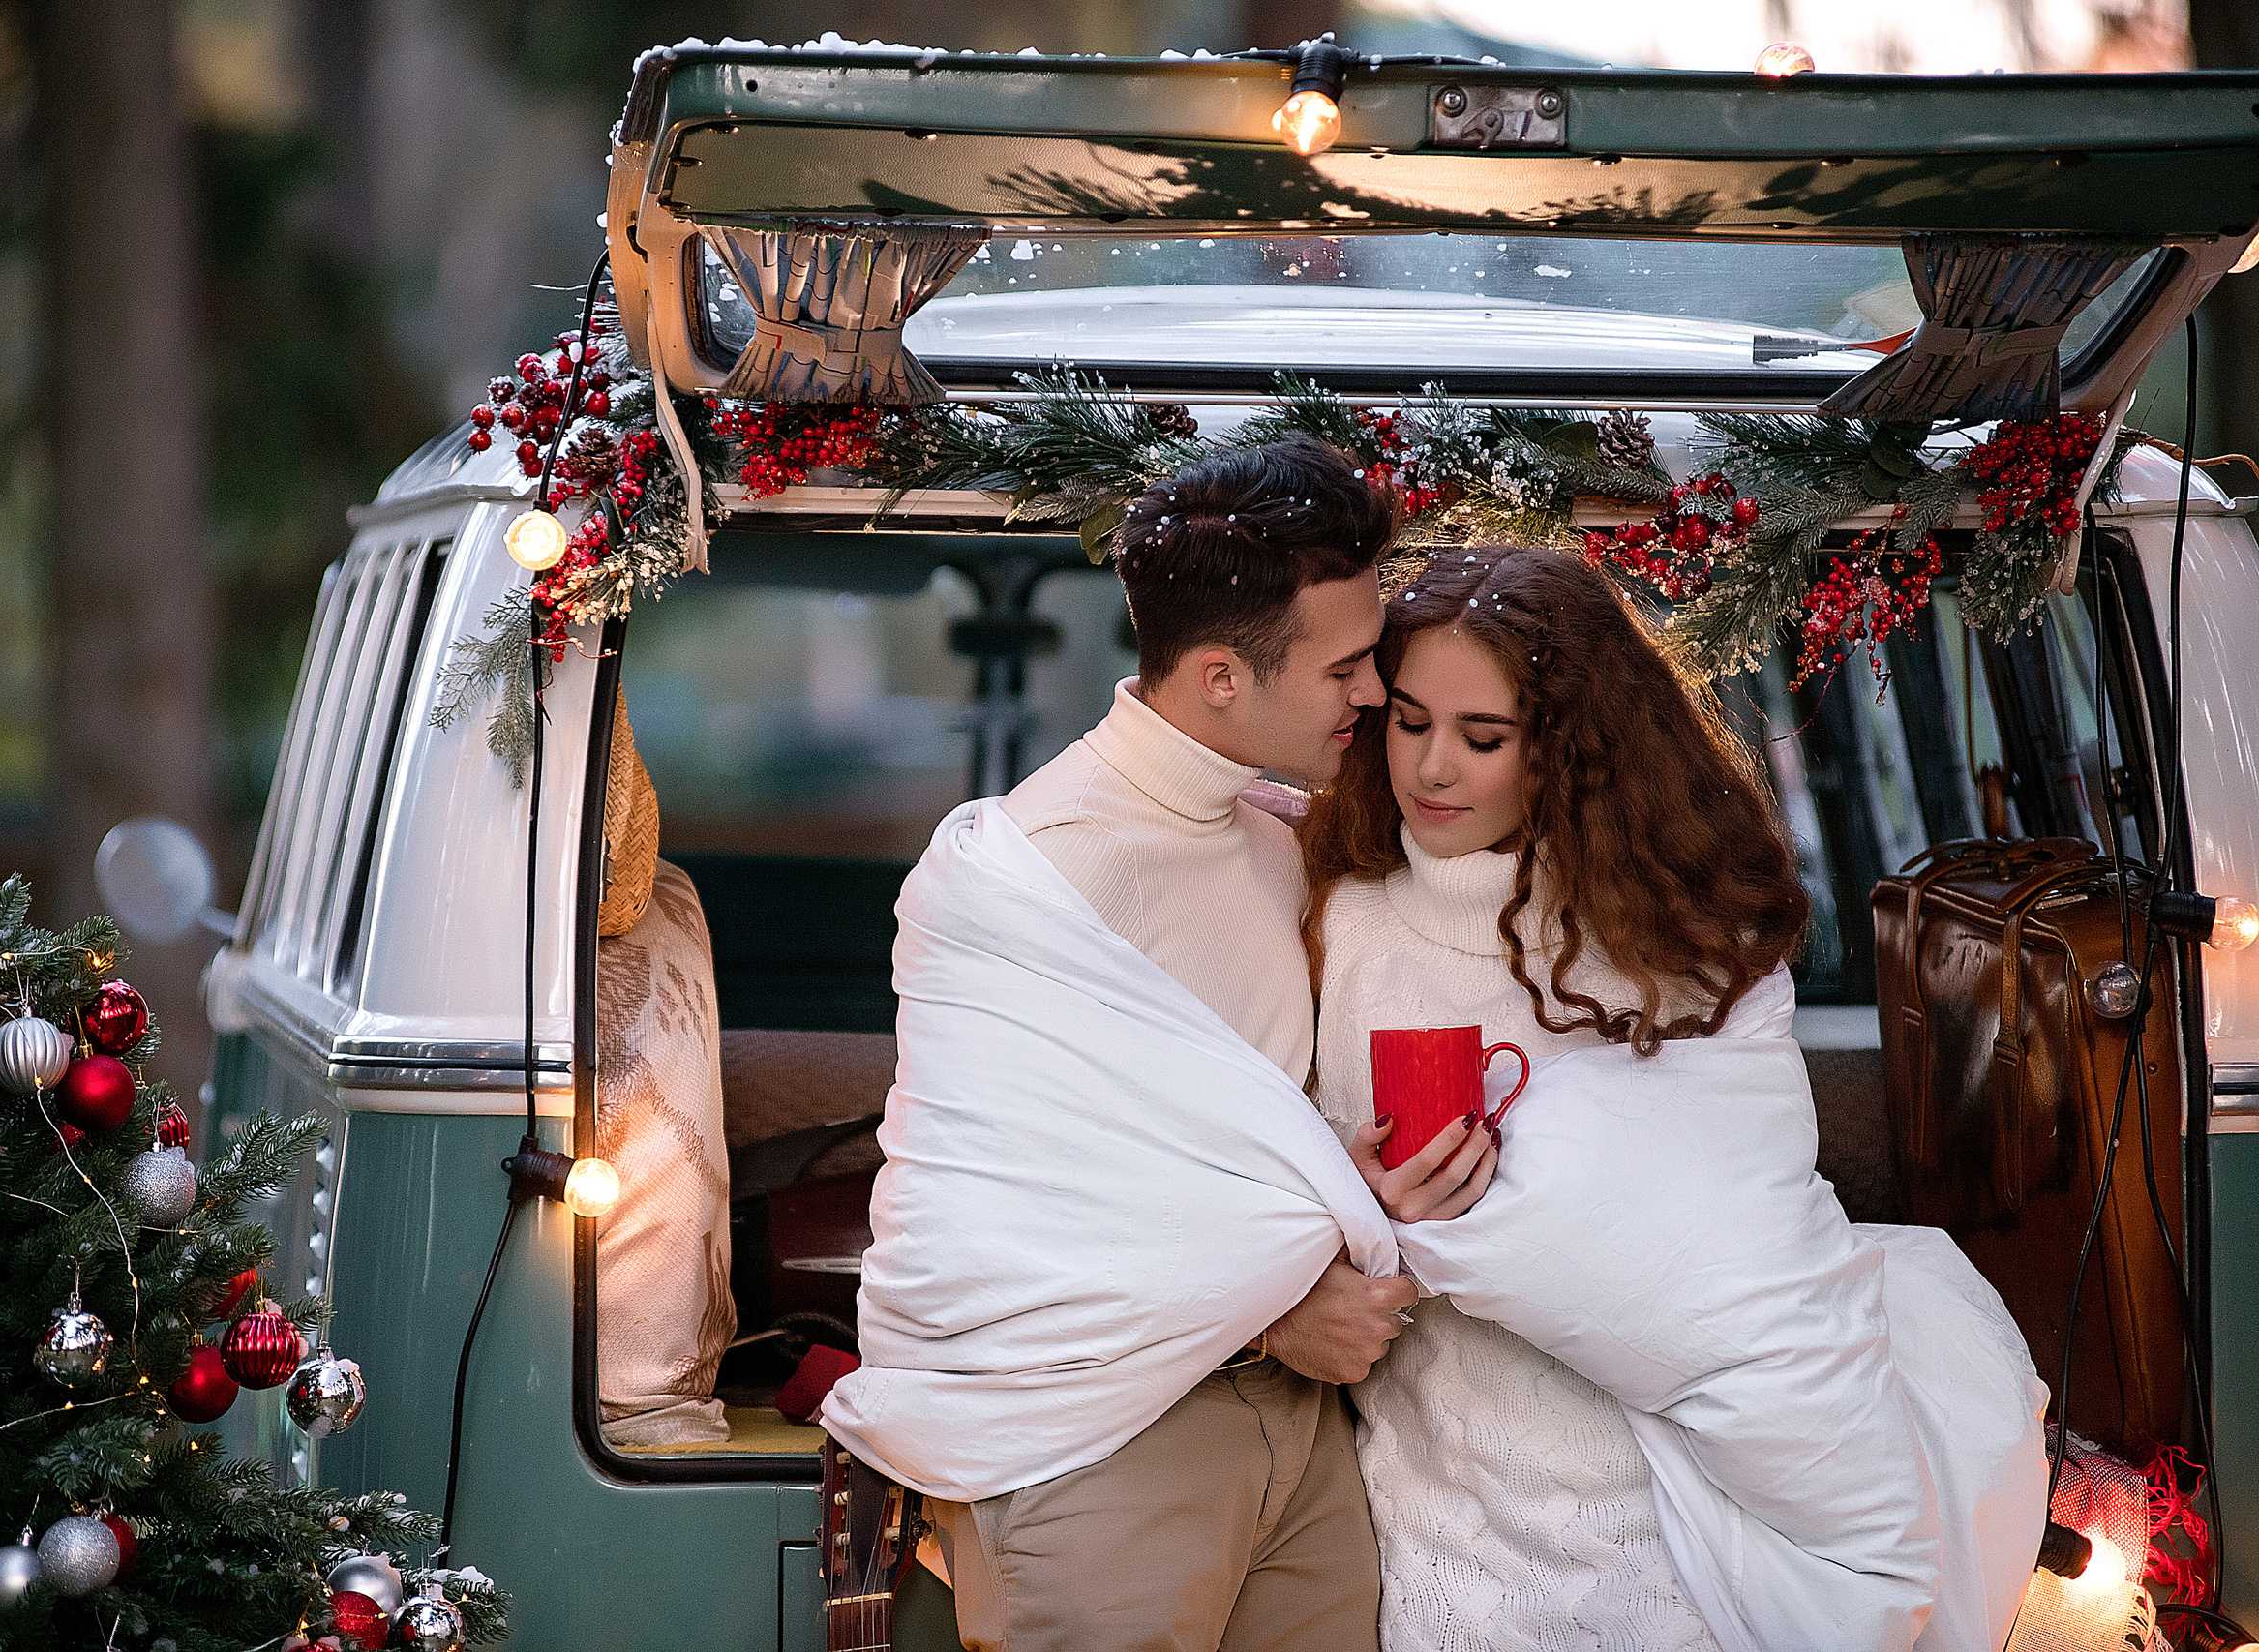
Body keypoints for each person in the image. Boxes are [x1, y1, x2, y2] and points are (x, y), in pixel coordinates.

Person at [1302, 546, 2049, 1652]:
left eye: (1483, 738)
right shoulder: (1342, 916)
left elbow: (1735, 1214)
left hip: (1676, 1438)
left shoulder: (1682, 936)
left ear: (1571, 748)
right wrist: (1359, 1205)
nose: (1433, 768)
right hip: (1447, 1430)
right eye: (1408, 721)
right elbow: (1281, 1183)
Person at [821, 436, 1491, 1652]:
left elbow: (1241, 1141)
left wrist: (1353, 1187)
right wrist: (1269, 1314)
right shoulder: (1023, 879)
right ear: (1222, 675)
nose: (1371, 695)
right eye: (1347, 667)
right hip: (1097, 1447)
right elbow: (987, 1234)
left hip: (1308, 1432)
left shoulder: (1281, 840)